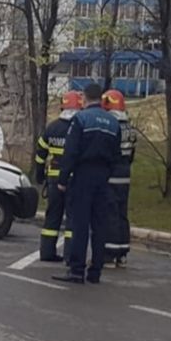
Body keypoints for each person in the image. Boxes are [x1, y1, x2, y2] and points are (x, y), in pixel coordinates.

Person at [53, 83, 121, 285]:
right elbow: (117, 155)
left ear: (84, 98)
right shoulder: (113, 122)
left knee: (80, 224)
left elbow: (71, 152)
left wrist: (63, 179)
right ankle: (95, 271)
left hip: (83, 175)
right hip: (103, 178)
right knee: (99, 226)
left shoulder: (81, 119)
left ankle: (76, 270)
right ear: (100, 98)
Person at [35, 91, 84, 262]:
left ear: (63, 106)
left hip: (54, 179)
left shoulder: (52, 127)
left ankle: (47, 252)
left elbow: (40, 153)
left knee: (52, 216)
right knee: (73, 218)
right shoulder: (80, 127)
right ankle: (71, 256)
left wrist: (39, 175)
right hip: (74, 179)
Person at [102, 89, 136, 268]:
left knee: (110, 214)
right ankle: (122, 252)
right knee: (122, 213)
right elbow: (132, 154)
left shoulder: (110, 125)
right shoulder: (129, 126)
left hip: (112, 175)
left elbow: (106, 151)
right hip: (125, 175)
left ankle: (109, 253)